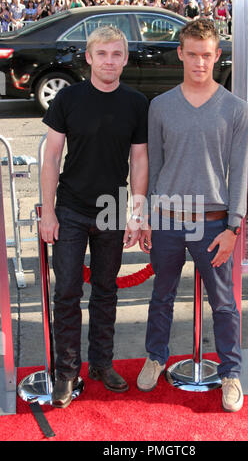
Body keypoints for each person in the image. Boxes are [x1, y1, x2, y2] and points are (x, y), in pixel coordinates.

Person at [137, 18, 248, 413]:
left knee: (223, 303)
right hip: (167, 218)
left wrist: (234, 227)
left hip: (214, 220)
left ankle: (231, 373)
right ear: (181, 54)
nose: (199, 63)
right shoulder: (161, 106)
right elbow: (154, 162)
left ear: (217, 55)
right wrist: (147, 214)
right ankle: (156, 356)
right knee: (162, 296)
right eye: (192, 55)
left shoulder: (235, 109)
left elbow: (241, 171)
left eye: (207, 55)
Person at [41, 26, 149, 409]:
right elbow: (51, 156)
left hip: (113, 209)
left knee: (106, 291)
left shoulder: (136, 103)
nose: (109, 61)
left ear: (124, 58)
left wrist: (137, 213)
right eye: (101, 53)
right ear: (88, 57)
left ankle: (102, 364)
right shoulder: (68, 99)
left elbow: (139, 160)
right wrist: (48, 211)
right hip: (70, 208)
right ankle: (66, 372)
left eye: (116, 54)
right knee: (67, 292)